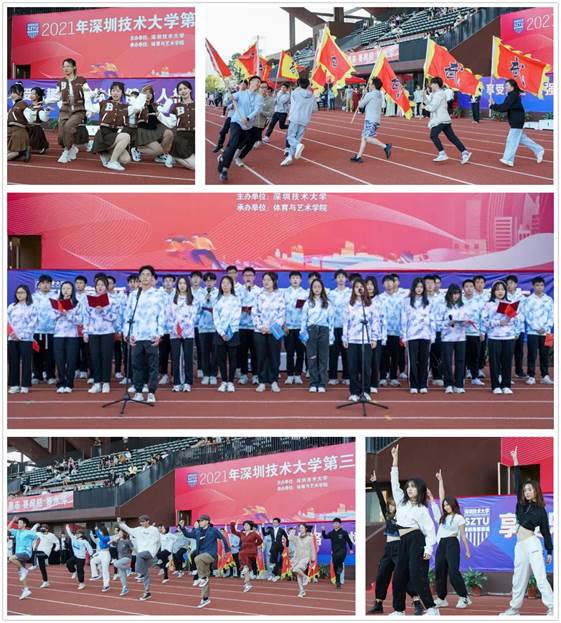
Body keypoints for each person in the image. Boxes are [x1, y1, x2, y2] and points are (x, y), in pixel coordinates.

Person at [500, 446, 553, 616]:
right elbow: (517, 484)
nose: (527, 492)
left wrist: (549, 550)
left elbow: (545, 531)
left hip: (532, 544)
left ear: (536, 491)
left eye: (530, 490)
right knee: (518, 578)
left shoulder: (541, 511)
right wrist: (516, 461)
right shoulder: (521, 504)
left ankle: (553, 607)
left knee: (540, 577)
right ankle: (514, 608)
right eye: (525, 490)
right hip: (520, 546)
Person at [389, 445, 439, 616]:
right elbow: (394, 483)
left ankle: (432, 609)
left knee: (417, 576)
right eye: (408, 486)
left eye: (413, 486)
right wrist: (395, 460)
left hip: (416, 541)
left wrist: (428, 549)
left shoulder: (422, 509)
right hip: (402, 541)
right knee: (398, 577)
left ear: (420, 490)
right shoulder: (401, 502)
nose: (409, 489)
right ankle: (399, 611)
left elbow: (430, 531)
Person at [368, 471, 423, 615]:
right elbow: (381, 500)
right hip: (388, 549)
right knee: (382, 575)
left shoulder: (403, 516)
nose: (391, 507)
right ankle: (378, 604)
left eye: (393, 505)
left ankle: (417, 602)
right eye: (390, 505)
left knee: (403, 577)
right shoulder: (387, 515)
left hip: (400, 548)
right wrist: (375, 483)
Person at [428, 470, 472, 609]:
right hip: (441, 544)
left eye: (448, 504)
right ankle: (441, 598)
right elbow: (441, 497)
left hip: (452, 544)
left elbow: (463, 535)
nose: (446, 506)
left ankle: (464, 597)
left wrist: (467, 550)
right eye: (445, 505)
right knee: (439, 571)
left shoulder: (459, 518)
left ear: (453, 504)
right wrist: (440, 481)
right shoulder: (442, 517)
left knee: (453, 572)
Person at [124, 265, 165, 403]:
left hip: (151, 336)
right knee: (136, 365)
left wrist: (159, 334)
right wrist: (128, 334)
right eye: (143, 275)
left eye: (148, 275)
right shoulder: (133, 295)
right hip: (136, 336)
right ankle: (138, 391)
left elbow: (161, 316)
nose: (145, 277)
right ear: (139, 278)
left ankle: (151, 392)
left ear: (152, 278)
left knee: (153, 366)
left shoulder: (158, 295)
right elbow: (127, 316)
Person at [90, 81, 146, 171]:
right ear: (110, 92)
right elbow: (88, 107)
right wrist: (89, 95)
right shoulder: (103, 103)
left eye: (118, 91)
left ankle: (105, 152)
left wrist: (142, 94)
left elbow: (137, 107)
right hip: (103, 136)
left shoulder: (125, 107)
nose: (115, 93)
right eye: (113, 91)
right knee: (126, 136)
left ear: (122, 93)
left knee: (126, 160)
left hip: (114, 137)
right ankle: (112, 161)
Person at [45, 58, 92, 163]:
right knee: (61, 135)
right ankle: (72, 148)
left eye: (68, 66)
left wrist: (89, 109)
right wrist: (45, 101)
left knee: (68, 127)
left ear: (74, 67)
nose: (66, 68)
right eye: (64, 66)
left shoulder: (81, 81)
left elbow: (87, 95)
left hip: (78, 110)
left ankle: (66, 152)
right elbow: (56, 96)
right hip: (65, 110)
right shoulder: (61, 82)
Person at [218, 75, 263, 182]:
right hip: (236, 122)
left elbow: (257, 110)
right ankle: (224, 170)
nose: (258, 84)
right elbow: (226, 103)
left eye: (259, 83)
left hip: (248, 126)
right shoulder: (241, 93)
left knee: (235, 146)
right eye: (256, 81)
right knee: (233, 144)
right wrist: (229, 98)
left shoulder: (259, 97)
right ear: (250, 82)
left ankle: (223, 158)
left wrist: (248, 118)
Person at [179, 515, 231, 608]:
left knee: (197, 559)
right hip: (202, 555)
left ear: (207, 521)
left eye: (202, 521)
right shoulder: (197, 531)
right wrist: (182, 527)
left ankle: (202, 578)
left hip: (210, 554)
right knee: (205, 577)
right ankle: (205, 598)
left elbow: (223, 538)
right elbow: (188, 535)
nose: (200, 522)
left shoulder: (213, 530)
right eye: (199, 521)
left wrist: (227, 550)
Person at [489, 79, 544, 168]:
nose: (505, 87)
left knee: (511, 140)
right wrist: (494, 104)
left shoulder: (513, 96)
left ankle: (508, 159)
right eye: (505, 86)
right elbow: (504, 106)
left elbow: (504, 107)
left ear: (512, 87)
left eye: (507, 85)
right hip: (516, 120)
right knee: (523, 139)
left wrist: (492, 106)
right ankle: (539, 150)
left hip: (517, 120)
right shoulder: (511, 96)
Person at [342, 278, 381, 402]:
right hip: (352, 340)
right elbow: (345, 322)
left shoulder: (371, 305)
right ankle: (354, 392)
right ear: (353, 289)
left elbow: (375, 322)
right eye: (356, 286)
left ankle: (365, 391)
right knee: (352, 367)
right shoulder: (349, 305)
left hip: (366, 340)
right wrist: (345, 338)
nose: (359, 288)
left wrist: (374, 338)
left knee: (365, 367)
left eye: (361, 286)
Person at [82, 275, 117, 394]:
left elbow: (114, 317)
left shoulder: (112, 300)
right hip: (93, 332)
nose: (100, 287)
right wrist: (85, 332)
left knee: (106, 357)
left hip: (107, 332)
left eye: (102, 285)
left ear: (106, 286)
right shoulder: (89, 300)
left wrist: (103, 311)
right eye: (98, 285)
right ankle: (97, 383)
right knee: (95, 357)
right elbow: (86, 317)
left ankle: (106, 382)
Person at [401, 278, 436, 394]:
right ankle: (413, 384)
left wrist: (433, 335)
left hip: (426, 335)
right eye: (417, 287)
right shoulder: (406, 301)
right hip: (412, 335)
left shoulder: (429, 302)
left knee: (424, 360)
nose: (419, 289)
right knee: (412, 361)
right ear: (413, 288)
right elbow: (403, 320)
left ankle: (423, 384)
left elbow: (432, 319)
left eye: (421, 287)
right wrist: (404, 336)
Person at [424, 77, 471, 164]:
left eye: (432, 84)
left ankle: (442, 153)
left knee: (433, 135)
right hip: (443, 118)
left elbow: (433, 107)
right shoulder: (436, 93)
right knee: (452, 137)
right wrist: (424, 98)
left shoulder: (439, 94)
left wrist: (424, 107)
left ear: (436, 84)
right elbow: (430, 103)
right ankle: (465, 153)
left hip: (440, 119)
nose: (431, 85)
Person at [252, 272, 286, 393]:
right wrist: (261, 327)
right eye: (264, 279)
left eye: (269, 280)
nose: (266, 282)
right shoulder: (258, 295)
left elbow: (282, 313)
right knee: (261, 355)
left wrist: (273, 328)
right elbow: (254, 312)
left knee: (274, 356)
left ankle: (274, 381)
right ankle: (261, 381)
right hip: (260, 330)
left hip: (275, 330)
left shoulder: (279, 295)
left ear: (274, 281)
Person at [482, 280, 516, 394]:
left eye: (502, 289)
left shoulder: (510, 304)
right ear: (493, 291)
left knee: (507, 362)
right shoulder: (488, 304)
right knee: (495, 362)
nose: (500, 292)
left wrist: (509, 319)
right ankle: (495, 386)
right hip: (494, 337)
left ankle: (506, 385)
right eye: (497, 289)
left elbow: (516, 320)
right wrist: (498, 322)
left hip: (508, 337)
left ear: (505, 291)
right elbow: (484, 321)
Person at [435, 284, 470, 394]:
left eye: (458, 294)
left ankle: (459, 384)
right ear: (449, 294)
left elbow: (468, 320)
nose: (456, 296)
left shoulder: (463, 306)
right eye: (454, 294)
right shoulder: (442, 306)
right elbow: (437, 323)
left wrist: (466, 322)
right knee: (447, 361)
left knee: (460, 360)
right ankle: (448, 384)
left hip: (461, 337)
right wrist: (448, 323)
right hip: (447, 337)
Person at [300, 278, 334, 392]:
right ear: (311, 289)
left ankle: (322, 384)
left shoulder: (327, 303)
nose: (317, 289)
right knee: (312, 358)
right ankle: (313, 383)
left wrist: (331, 336)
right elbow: (303, 319)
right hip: (311, 331)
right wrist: (303, 334)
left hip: (324, 330)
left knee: (323, 358)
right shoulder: (308, 302)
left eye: (319, 286)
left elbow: (331, 321)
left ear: (322, 288)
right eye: (314, 287)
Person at [117, 515, 161, 601]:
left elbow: (158, 542)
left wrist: (155, 553)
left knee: (138, 556)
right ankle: (147, 592)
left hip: (149, 552)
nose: (142, 523)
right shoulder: (138, 530)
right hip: (141, 554)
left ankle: (138, 572)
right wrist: (120, 523)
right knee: (146, 573)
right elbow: (128, 529)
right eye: (140, 522)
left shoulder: (154, 530)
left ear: (148, 521)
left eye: (143, 521)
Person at [350, 78, 392, 163]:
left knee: (367, 138)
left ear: (373, 85)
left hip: (370, 119)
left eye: (370, 84)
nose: (369, 85)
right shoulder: (379, 94)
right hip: (375, 119)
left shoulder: (370, 94)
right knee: (364, 137)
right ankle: (358, 156)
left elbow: (361, 105)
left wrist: (362, 98)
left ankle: (385, 146)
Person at [53, 281, 84, 394]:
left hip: (72, 335)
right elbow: (51, 317)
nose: (66, 291)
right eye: (64, 289)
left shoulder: (77, 303)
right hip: (58, 335)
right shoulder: (56, 302)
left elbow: (80, 320)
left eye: (68, 288)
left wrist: (68, 313)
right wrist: (60, 312)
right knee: (60, 360)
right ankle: (61, 383)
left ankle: (69, 383)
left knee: (71, 360)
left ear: (72, 291)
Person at [167, 276, 197, 392]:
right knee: (176, 357)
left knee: (188, 357)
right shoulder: (172, 300)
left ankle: (188, 382)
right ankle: (177, 382)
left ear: (188, 285)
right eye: (180, 283)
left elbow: (193, 317)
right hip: (174, 334)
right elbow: (168, 317)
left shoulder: (193, 300)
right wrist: (175, 330)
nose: (182, 285)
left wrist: (185, 331)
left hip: (188, 334)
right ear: (177, 285)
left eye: (184, 283)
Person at [523, 276, 554, 385]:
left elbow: (552, 315)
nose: (539, 287)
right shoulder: (528, 300)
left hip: (547, 332)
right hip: (533, 332)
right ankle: (531, 376)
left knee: (545, 354)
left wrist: (545, 327)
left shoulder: (549, 299)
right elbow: (527, 316)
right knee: (532, 354)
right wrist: (536, 328)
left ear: (544, 286)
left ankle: (545, 376)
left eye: (541, 285)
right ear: (533, 286)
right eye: (537, 285)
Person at [7, 284, 38, 395]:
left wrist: (21, 335)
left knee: (26, 362)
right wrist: (12, 333)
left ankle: (25, 385)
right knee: (13, 361)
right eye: (18, 293)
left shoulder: (32, 307)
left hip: (26, 338)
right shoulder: (11, 306)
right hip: (12, 338)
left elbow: (33, 323)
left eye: (22, 292)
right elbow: (7, 321)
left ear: (27, 294)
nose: (20, 295)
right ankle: (14, 385)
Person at [157, 80, 195, 169]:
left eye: (185, 88)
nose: (183, 91)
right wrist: (159, 116)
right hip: (182, 139)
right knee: (194, 166)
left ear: (190, 90)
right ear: (178, 93)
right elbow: (171, 123)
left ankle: (175, 154)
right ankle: (174, 155)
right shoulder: (176, 107)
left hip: (195, 138)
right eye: (180, 89)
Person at [213, 275, 242, 392]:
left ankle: (230, 382)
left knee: (232, 358)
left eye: (228, 283)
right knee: (221, 359)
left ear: (231, 285)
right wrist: (221, 332)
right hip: (220, 334)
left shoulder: (236, 299)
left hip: (232, 333)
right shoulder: (217, 299)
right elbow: (216, 317)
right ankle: (224, 381)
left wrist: (229, 332)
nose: (225, 285)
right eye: (223, 283)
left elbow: (236, 316)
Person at [281, 77, 317, 166]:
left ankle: (298, 145)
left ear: (299, 84)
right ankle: (289, 157)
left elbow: (291, 105)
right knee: (297, 138)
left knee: (290, 137)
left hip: (295, 118)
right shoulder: (312, 96)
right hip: (305, 119)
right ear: (308, 85)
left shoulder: (295, 92)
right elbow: (314, 109)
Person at [135, 85, 174, 163]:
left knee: (169, 133)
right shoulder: (139, 105)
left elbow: (164, 109)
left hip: (155, 129)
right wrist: (142, 95)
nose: (148, 95)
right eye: (145, 93)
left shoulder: (155, 105)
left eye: (150, 93)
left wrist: (169, 100)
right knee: (158, 150)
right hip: (144, 131)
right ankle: (137, 149)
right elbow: (137, 107)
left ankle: (160, 156)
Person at [283, 271, 308, 385]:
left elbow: (307, 312)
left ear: (301, 280)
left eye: (297, 278)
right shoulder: (284, 293)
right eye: (293, 278)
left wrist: (305, 328)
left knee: (300, 353)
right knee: (289, 352)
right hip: (288, 327)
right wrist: (284, 325)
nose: (295, 280)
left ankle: (298, 375)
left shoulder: (305, 293)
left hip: (300, 328)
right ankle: (289, 375)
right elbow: (281, 310)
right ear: (289, 280)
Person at [31, 275, 57, 386]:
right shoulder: (33, 297)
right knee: (36, 354)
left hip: (52, 331)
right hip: (37, 330)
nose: (45, 285)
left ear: (51, 284)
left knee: (50, 354)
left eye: (48, 283)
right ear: (39, 285)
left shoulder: (56, 296)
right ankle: (37, 375)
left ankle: (50, 375)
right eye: (43, 283)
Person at [238, 267, 261, 385]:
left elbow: (261, 306)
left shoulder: (259, 291)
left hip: (254, 326)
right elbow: (235, 304)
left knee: (255, 351)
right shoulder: (238, 290)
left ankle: (256, 375)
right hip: (241, 326)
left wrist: (253, 309)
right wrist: (242, 308)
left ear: (254, 277)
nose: (248, 277)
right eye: (246, 275)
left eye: (250, 275)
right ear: (243, 277)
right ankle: (243, 375)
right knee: (242, 352)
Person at [379, 275, 403, 388]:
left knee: (395, 355)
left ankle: (393, 377)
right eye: (386, 282)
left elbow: (404, 315)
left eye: (391, 282)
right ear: (383, 284)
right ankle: (383, 377)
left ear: (395, 283)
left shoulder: (401, 298)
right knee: (383, 355)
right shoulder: (379, 298)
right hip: (383, 332)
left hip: (396, 332)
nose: (389, 284)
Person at [328, 270, 351, 386]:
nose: (341, 279)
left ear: (346, 279)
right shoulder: (331, 294)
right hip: (334, 327)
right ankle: (332, 377)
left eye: (343, 277)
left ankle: (347, 376)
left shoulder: (351, 293)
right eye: (338, 277)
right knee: (333, 353)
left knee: (347, 353)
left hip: (347, 328)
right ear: (335, 279)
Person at [7, 517, 39, 600]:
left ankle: (24, 569)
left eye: (20, 522)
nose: (18, 524)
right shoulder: (16, 532)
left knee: (11, 558)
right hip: (19, 553)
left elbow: (38, 538)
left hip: (26, 553)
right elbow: (7, 528)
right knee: (21, 574)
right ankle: (26, 590)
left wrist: (35, 547)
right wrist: (13, 520)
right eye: (18, 522)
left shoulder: (29, 532)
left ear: (24, 524)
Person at [462, 279, 486, 386]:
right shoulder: (460, 300)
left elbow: (483, 318)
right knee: (462, 356)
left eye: (471, 286)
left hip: (475, 333)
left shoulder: (479, 301)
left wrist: (482, 332)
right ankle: (461, 377)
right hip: (461, 333)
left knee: (475, 356)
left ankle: (475, 377)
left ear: (474, 288)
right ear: (463, 288)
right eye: (466, 286)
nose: (469, 288)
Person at [365, 276, 386, 395]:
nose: (369, 287)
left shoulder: (380, 300)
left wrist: (383, 337)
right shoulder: (361, 300)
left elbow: (384, 319)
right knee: (364, 361)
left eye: (371, 284)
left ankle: (373, 384)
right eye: (367, 284)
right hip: (363, 336)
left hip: (376, 336)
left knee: (375, 361)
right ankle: (364, 383)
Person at [198, 272, 219, 385]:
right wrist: (204, 300)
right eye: (207, 281)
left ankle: (214, 374)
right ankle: (206, 374)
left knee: (215, 352)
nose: (209, 283)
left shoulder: (219, 293)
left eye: (211, 280)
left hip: (215, 327)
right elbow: (196, 309)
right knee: (204, 351)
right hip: (203, 327)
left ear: (215, 281)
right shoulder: (200, 293)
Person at [230, 521, 263, 592]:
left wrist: (255, 545)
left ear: (250, 526)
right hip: (243, 552)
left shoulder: (254, 533)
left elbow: (260, 541)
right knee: (245, 568)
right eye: (244, 525)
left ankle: (247, 581)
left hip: (251, 552)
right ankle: (248, 583)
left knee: (245, 567)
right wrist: (232, 524)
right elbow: (233, 532)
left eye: (247, 525)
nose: (245, 526)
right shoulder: (242, 533)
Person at [321, 518, 353, 589]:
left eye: (337, 523)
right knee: (335, 567)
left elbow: (349, 541)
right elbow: (325, 537)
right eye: (334, 523)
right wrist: (323, 531)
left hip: (342, 551)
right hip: (334, 552)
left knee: (339, 557)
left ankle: (341, 566)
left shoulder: (344, 532)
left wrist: (351, 549)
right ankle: (338, 583)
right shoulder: (331, 533)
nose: (335, 525)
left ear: (340, 524)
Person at [7, 83, 33, 162]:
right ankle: (22, 153)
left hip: (18, 132)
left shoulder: (23, 104)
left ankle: (21, 152)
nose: (12, 95)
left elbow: (30, 118)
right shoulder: (14, 105)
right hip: (11, 131)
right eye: (11, 93)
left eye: (14, 93)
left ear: (21, 93)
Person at [288, 524, 316, 598]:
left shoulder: (309, 538)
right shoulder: (297, 538)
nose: (300, 529)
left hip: (305, 558)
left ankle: (305, 577)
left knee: (296, 569)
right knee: (298, 575)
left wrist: (313, 558)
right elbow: (290, 538)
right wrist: (293, 530)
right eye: (299, 528)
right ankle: (302, 591)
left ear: (305, 529)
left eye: (302, 527)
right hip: (297, 558)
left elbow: (312, 548)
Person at [65, 524, 94, 590]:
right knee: (68, 563)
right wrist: (67, 527)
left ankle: (81, 583)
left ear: (82, 534)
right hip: (75, 557)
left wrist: (91, 555)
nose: (77, 534)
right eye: (77, 533)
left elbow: (89, 549)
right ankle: (74, 571)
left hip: (81, 558)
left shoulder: (84, 541)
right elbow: (69, 533)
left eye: (79, 533)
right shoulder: (73, 538)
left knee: (80, 570)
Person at [31, 524, 60, 589]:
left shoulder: (51, 535)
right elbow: (30, 532)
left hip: (45, 553)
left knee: (37, 553)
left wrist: (57, 548)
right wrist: (35, 526)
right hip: (38, 552)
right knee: (42, 568)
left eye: (43, 528)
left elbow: (57, 542)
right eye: (41, 528)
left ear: (47, 529)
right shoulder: (38, 533)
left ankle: (34, 565)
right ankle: (45, 582)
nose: (42, 529)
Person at [110, 528, 134, 596]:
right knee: (122, 575)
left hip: (127, 558)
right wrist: (114, 539)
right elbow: (109, 543)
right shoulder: (118, 541)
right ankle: (125, 588)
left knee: (115, 564)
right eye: (118, 532)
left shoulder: (128, 541)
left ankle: (128, 568)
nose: (119, 533)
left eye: (120, 532)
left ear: (124, 533)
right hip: (120, 559)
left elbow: (133, 549)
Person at [90, 524, 112, 592]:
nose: (100, 532)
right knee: (93, 561)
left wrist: (96, 531)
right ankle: (95, 575)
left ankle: (106, 585)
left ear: (104, 531)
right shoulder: (100, 538)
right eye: (99, 531)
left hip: (106, 554)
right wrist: (96, 554)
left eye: (100, 531)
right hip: (101, 553)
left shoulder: (107, 537)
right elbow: (100, 548)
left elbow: (102, 539)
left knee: (105, 570)